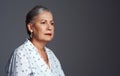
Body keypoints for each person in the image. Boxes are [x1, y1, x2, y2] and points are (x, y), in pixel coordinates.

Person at [6, 5, 65, 76]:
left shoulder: (51, 55)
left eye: (52, 23)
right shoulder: (21, 54)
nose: (49, 27)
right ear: (31, 27)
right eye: (43, 22)